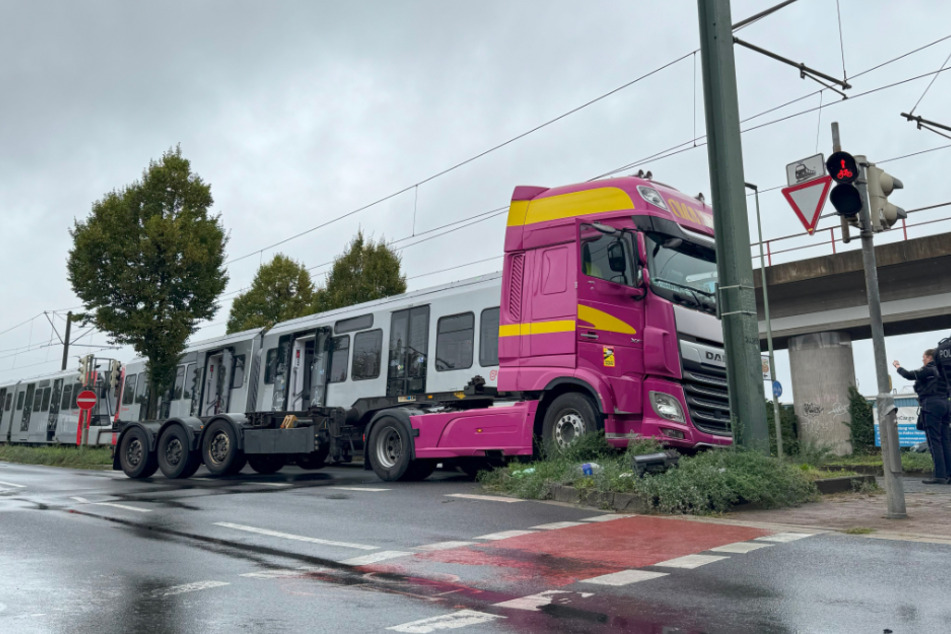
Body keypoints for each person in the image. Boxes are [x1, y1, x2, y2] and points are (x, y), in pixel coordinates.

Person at [893, 349, 951, 484]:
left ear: (930, 357)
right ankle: (949, 474)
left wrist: (897, 366)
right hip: (946, 405)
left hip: (932, 405)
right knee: (946, 440)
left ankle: (940, 476)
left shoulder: (929, 369)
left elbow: (908, 375)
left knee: (934, 441)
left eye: (924, 357)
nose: (922, 360)